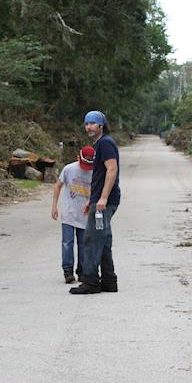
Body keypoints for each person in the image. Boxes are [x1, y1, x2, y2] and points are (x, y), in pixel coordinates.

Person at [70, 110, 121, 294]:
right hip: (100, 201)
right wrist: (92, 200)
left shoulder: (105, 143)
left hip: (104, 202)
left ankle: (91, 282)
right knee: (103, 239)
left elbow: (112, 169)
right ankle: (109, 281)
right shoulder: (101, 143)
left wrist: (103, 198)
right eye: (86, 124)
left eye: (92, 123)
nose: (88, 127)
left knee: (91, 239)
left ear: (101, 125)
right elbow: (99, 175)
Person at [51, 146, 94, 284]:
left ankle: (82, 271)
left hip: (85, 215)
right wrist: (54, 206)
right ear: (77, 157)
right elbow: (58, 185)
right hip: (68, 213)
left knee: (83, 244)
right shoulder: (69, 169)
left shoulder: (95, 171)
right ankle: (68, 272)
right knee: (67, 243)